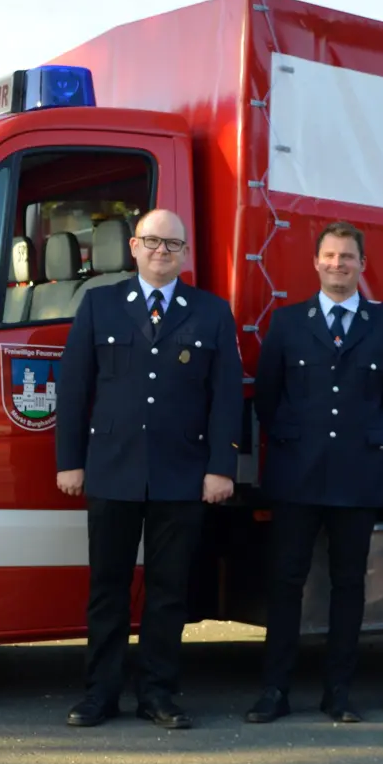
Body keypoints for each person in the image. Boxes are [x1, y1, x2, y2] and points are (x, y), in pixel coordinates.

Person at [53, 209, 243, 730]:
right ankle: (100, 694)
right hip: (111, 471)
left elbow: (225, 398)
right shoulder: (100, 305)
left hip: (182, 474)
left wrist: (221, 467)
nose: (162, 251)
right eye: (153, 241)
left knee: (168, 591)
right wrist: (69, 460)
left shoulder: (210, 313)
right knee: (107, 588)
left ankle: (158, 693)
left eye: (173, 244)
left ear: (184, 254)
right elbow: (74, 390)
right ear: (134, 247)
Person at [246, 220, 383, 724]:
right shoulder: (288, 322)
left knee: (348, 586)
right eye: (330, 256)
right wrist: (295, 441)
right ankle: (274, 691)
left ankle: (337, 692)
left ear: (362, 266)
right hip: (298, 474)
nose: (338, 265)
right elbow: (269, 398)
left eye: (347, 257)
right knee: (285, 583)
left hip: (358, 474)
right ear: (315, 263)